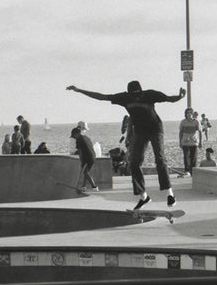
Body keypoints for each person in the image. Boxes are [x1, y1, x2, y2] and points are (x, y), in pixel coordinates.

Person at [66, 78, 185, 211]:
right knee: (134, 163)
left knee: (160, 158)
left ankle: (170, 194)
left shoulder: (150, 94)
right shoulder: (124, 97)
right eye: (134, 95)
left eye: (138, 94)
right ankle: (143, 196)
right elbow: (101, 97)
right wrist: (79, 90)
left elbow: (169, 99)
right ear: (129, 93)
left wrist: (179, 97)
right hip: (140, 132)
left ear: (141, 91)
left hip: (155, 129)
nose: (136, 97)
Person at [71, 121, 99, 193]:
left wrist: (82, 161)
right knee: (86, 172)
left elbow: (80, 152)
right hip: (92, 156)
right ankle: (83, 187)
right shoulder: (86, 137)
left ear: (76, 134)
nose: (73, 137)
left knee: (86, 172)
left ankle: (94, 187)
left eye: (73, 136)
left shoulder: (78, 140)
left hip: (88, 157)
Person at [178, 107, 202, 175]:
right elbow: (181, 132)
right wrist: (180, 142)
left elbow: (200, 132)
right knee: (186, 156)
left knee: (193, 157)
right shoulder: (183, 122)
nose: (189, 114)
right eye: (188, 113)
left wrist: (200, 142)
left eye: (190, 113)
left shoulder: (196, 122)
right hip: (185, 142)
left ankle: (193, 171)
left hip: (194, 142)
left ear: (192, 114)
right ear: (185, 114)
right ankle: (187, 170)